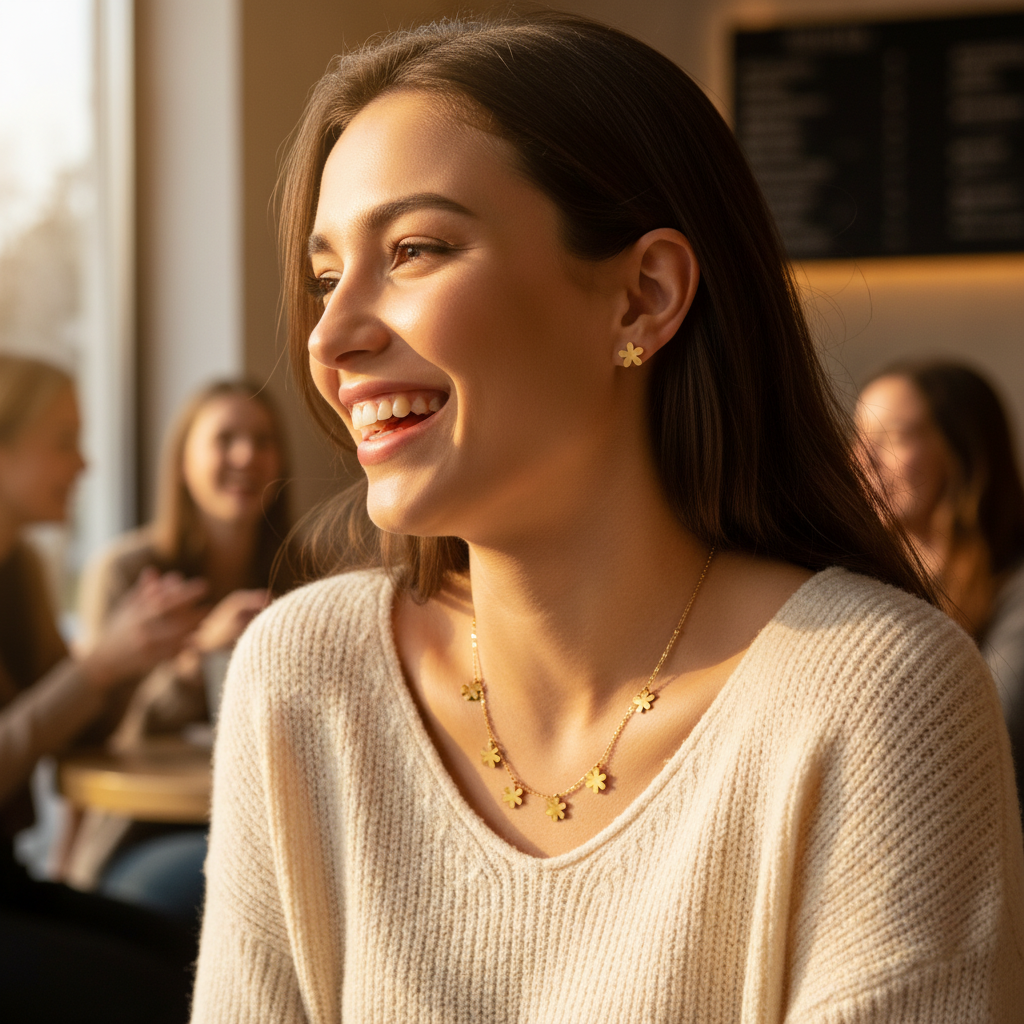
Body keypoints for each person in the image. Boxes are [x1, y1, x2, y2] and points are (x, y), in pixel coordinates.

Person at [191, 13, 1024, 1022]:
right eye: (326, 277)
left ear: (643, 296)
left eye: (413, 249)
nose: (332, 335)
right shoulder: (302, 683)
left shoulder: (876, 702)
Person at [0, 352, 202, 1023]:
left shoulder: (21, 568)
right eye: (63, 442)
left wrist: (138, 654)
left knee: (193, 961)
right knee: (158, 993)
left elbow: (75, 739)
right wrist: (95, 669)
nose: (84, 465)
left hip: (9, 880)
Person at [63, 380, 296, 920]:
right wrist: (198, 661)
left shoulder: (302, 573)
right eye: (225, 439)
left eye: (262, 440)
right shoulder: (127, 573)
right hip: (147, 826)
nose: (246, 455)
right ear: (183, 462)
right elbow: (99, 736)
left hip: (272, 824)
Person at [856, 361, 1024, 828]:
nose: (861, 459)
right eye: (858, 437)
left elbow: (984, 741)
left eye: (891, 437)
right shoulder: (864, 582)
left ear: (963, 452)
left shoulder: (1016, 590)